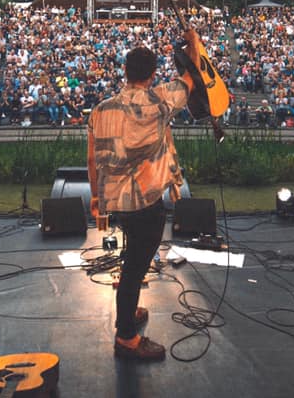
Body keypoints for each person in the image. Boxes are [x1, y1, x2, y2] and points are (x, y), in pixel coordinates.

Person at [87, 33, 197, 363]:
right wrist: (193, 45)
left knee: (131, 258)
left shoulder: (100, 109)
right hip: (145, 204)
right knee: (136, 266)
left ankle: (130, 309)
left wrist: (96, 198)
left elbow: (92, 161)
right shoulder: (159, 103)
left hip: (116, 203)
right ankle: (127, 337)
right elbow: (191, 79)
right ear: (151, 74)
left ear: (124, 72)